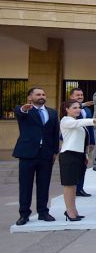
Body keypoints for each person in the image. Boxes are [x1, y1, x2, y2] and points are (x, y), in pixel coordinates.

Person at [13, 87, 60, 226]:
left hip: (46, 154)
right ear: (30, 97)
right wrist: (24, 109)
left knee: (44, 184)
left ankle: (43, 212)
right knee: (25, 185)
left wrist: (54, 152)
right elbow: (19, 113)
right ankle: (24, 214)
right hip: (28, 154)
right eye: (38, 94)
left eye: (43, 94)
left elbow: (54, 133)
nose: (41, 96)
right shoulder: (24, 110)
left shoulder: (52, 112)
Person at [59, 100, 96, 221]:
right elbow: (79, 122)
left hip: (78, 155)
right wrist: (94, 120)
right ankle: (69, 211)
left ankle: (73, 210)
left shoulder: (78, 122)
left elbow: (82, 141)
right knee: (69, 185)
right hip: (68, 155)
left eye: (79, 107)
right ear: (67, 109)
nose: (78, 109)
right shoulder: (66, 120)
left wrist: (85, 156)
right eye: (74, 108)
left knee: (74, 185)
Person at [68, 87, 95, 197]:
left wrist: (92, 141)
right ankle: (72, 190)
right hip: (73, 142)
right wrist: (82, 105)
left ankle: (80, 189)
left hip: (85, 142)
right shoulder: (68, 108)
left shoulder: (88, 110)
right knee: (73, 167)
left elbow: (90, 126)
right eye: (77, 95)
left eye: (81, 95)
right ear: (71, 97)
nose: (80, 97)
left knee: (83, 165)